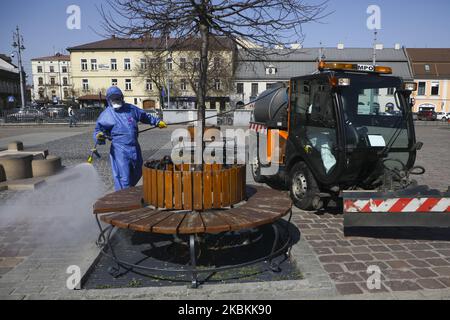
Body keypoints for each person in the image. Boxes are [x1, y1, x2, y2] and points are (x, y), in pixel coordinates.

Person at [93, 86, 167, 191]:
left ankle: (128, 190)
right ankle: (123, 198)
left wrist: (157, 122)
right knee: (124, 177)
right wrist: (99, 136)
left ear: (122, 97)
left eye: (117, 98)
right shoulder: (106, 115)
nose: (116, 100)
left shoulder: (131, 109)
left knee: (138, 171)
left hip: (134, 147)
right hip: (120, 149)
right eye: (113, 98)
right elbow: (98, 130)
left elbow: (144, 116)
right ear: (109, 100)